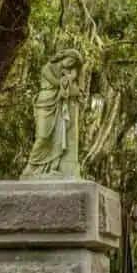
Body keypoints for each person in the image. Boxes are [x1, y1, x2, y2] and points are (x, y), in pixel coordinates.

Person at [22, 49, 84, 180]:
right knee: (43, 137)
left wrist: (70, 79)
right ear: (64, 56)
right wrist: (70, 78)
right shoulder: (48, 68)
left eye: (73, 63)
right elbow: (57, 84)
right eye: (70, 60)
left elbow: (76, 91)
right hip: (45, 103)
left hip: (58, 105)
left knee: (57, 138)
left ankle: (52, 167)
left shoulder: (66, 73)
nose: (70, 64)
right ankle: (32, 167)